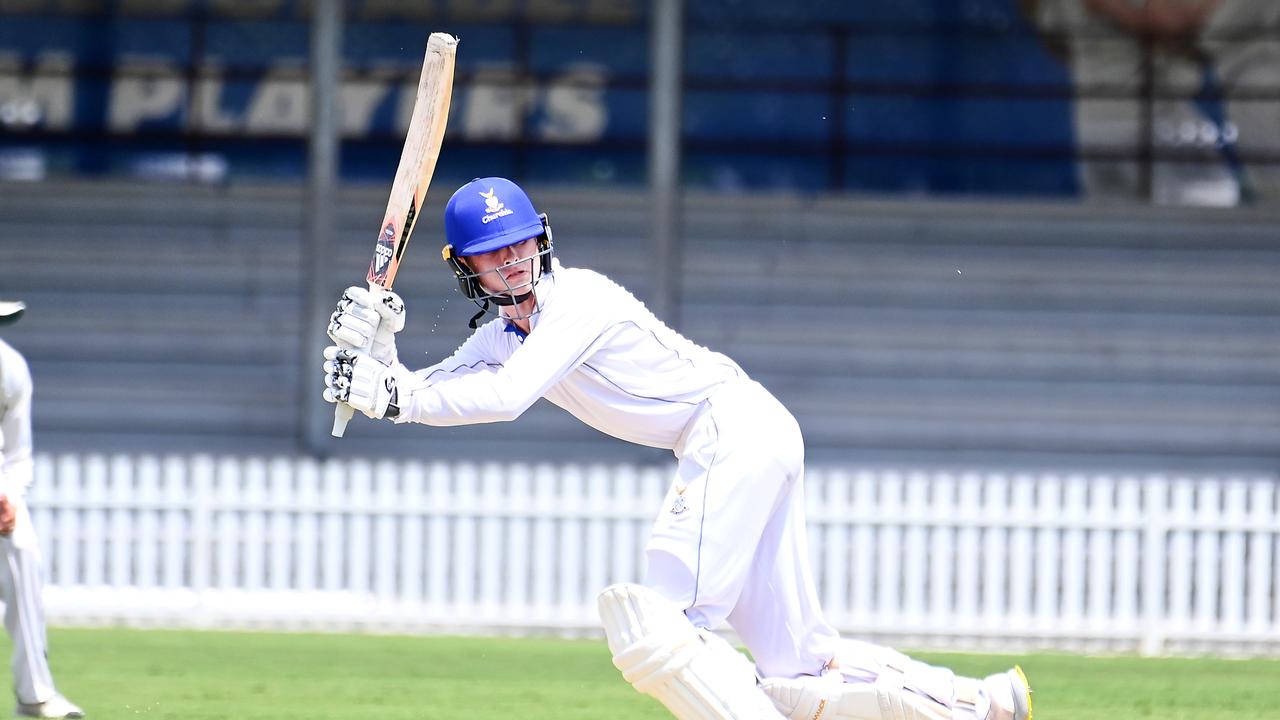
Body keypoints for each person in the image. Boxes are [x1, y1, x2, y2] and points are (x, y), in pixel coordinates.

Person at [322, 178, 1033, 720]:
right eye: (492, 253)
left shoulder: (580, 301)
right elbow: (432, 389)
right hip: (751, 430)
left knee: (657, 627)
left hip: (731, 429)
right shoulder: (502, 337)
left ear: (541, 238)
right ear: (466, 268)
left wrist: (392, 394)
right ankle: (980, 704)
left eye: (518, 244)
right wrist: (381, 363)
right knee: (799, 665)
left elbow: (505, 396)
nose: (511, 262)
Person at [1028, 0, 1280, 205]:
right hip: (1153, 126)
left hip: (1094, 128)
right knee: (1212, 222)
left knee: (1120, 248)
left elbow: (1057, 44)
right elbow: (1164, 18)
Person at [0, 301, 85, 719]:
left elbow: (18, 454)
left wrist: (10, 498)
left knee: (22, 549)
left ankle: (35, 697)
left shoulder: (10, 369)